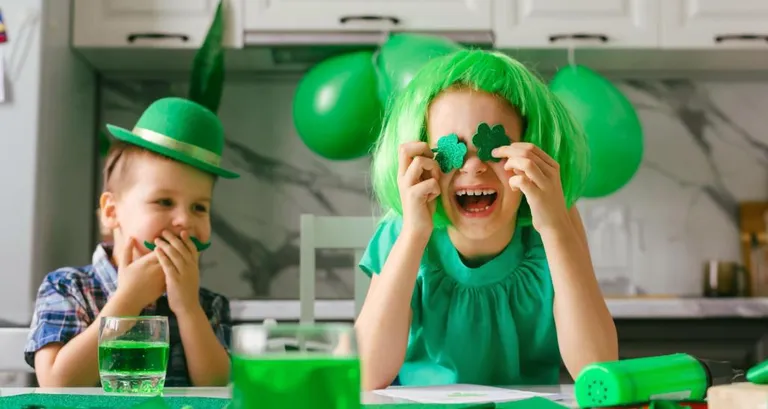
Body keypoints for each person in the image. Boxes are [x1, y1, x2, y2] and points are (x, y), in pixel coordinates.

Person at [355, 49, 618, 390]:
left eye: (495, 147)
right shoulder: (401, 231)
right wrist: (413, 233)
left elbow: (596, 370)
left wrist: (555, 228)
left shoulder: (554, 222)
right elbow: (366, 376)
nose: (473, 166)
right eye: (451, 150)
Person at [24, 97, 240, 387]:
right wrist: (129, 299)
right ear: (112, 212)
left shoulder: (208, 306)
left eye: (199, 207)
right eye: (164, 202)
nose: (185, 220)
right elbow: (58, 385)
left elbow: (218, 389)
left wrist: (188, 308)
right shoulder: (68, 287)